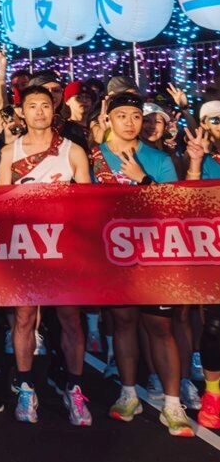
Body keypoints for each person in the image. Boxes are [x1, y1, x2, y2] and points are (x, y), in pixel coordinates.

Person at [90, 92, 192, 437]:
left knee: (160, 327)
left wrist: (142, 179)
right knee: (123, 322)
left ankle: (173, 403)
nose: (130, 123)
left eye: (136, 116)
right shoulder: (94, 158)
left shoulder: (158, 159)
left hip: (154, 256)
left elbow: (176, 210)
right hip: (112, 257)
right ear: (110, 120)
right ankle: (128, 393)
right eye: (123, 116)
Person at [0, 85, 92, 426]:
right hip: (25, 248)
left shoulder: (73, 151)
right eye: (32, 105)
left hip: (64, 249)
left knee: (70, 319)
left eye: (45, 106)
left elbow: (87, 205)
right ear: (21, 111)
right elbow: (1, 202)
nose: (39, 112)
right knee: (23, 318)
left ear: (55, 111)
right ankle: (25, 386)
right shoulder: (9, 151)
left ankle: (75, 389)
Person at [184, 101, 220, 428]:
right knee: (214, 327)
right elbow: (190, 201)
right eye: (215, 120)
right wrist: (195, 162)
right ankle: (213, 393)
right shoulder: (207, 162)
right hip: (214, 254)